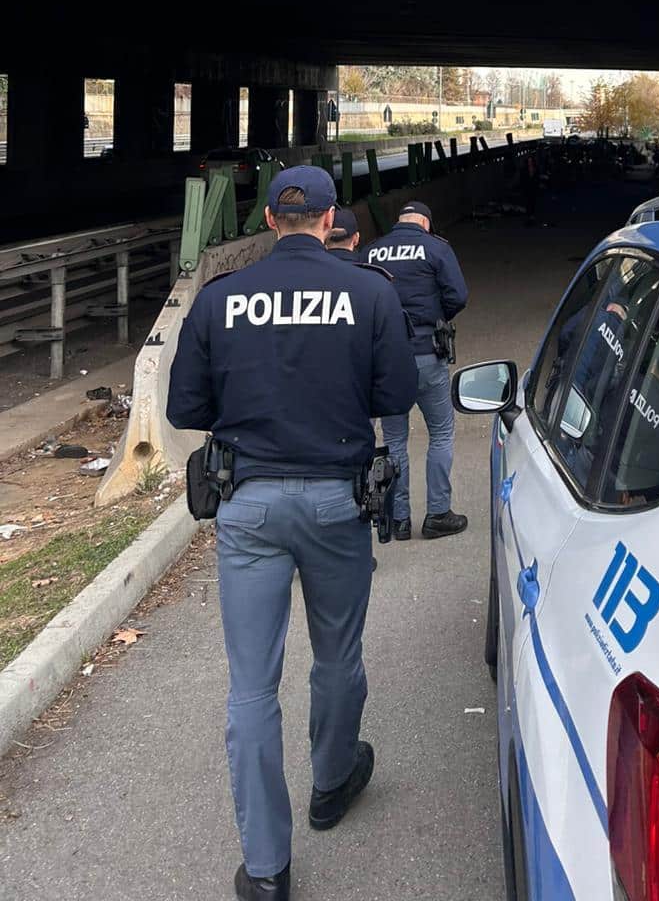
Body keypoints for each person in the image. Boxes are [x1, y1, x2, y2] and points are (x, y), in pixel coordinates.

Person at [166, 167, 418, 901]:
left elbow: (187, 406)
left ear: (272, 221)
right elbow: (395, 395)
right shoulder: (370, 291)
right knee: (338, 653)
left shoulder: (220, 300)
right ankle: (332, 783)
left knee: (251, 687)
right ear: (331, 216)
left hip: (247, 507)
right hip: (338, 503)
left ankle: (268, 870)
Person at [360, 199, 468, 540]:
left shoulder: (372, 251)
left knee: (394, 441)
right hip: (427, 353)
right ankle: (437, 514)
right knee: (441, 433)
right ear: (425, 223)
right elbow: (458, 296)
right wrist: (438, 320)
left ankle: (399, 519)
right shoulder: (435, 248)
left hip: (387, 361)